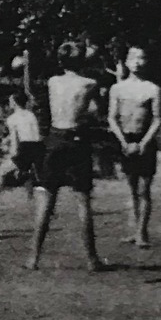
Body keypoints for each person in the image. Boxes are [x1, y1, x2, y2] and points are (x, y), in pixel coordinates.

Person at [27, 40, 106, 272]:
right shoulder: (90, 83)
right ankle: (92, 259)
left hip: (55, 138)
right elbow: (96, 112)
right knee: (83, 201)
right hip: (76, 139)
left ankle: (33, 257)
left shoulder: (53, 82)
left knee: (47, 200)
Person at [107, 45, 161, 248]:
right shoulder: (118, 88)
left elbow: (157, 119)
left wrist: (143, 143)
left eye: (142, 58)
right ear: (127, 61)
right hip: (125, 139)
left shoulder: (152, 89)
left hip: (145, 141)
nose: (137, 62)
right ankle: (133, 230)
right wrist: (123, 142)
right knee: (131, 188)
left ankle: (142, 232)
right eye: (133, 58)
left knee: (144, 189)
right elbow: (112, 118)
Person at [0, 90, 43, 212]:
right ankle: (33, 202)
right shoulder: (31, 115)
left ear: (14, 103)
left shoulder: (12, 118)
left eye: (11, 101)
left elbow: (15, 140)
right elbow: (32, 133)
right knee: (25, 174)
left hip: (25, 147)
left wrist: (13, 154)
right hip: (38, 147)